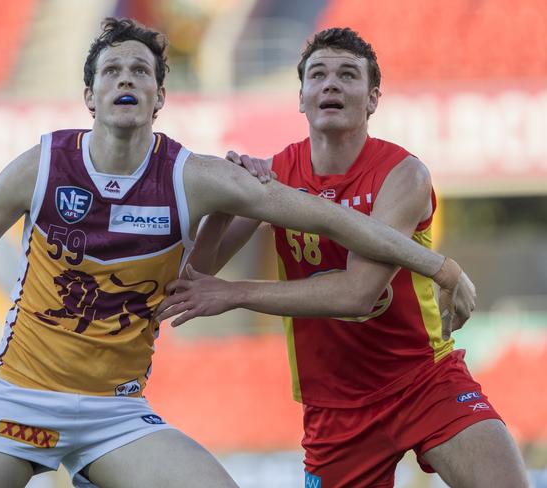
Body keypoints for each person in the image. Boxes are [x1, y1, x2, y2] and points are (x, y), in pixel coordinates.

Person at [0, 19, 473, 488]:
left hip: (115, 412)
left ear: (160, 98)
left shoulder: (193, 177)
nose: (126, 79)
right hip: (19, 401)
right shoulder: (40, 167)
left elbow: (331, 217)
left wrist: (440, 266)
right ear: (91, 95)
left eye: (141, 72)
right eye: (112, 71)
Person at [156, 27, 528, 488]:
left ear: (372, 99)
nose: (330, 83)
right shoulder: (273, 175)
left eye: (347, 74)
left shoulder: (403, 174)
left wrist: (235, 294)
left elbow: (357, 294)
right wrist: (228, 197)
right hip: (334, 408)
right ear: (302, 98)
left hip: (423, 380)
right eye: (318, 75)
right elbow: (198, 272)